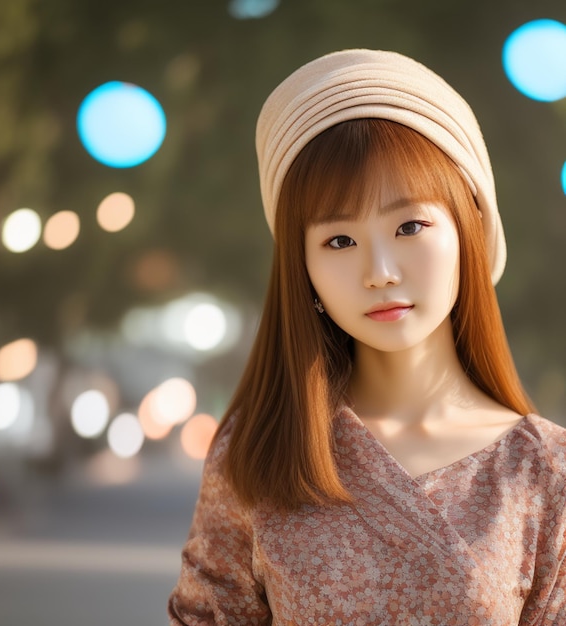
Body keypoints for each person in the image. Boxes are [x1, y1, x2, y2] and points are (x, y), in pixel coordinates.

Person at [168, 49, 566, 624]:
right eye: (339, 241)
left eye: (410, 226)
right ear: (300, 265)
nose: (379, 270)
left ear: (470, 229)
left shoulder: (544, 474)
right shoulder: (258, 452)